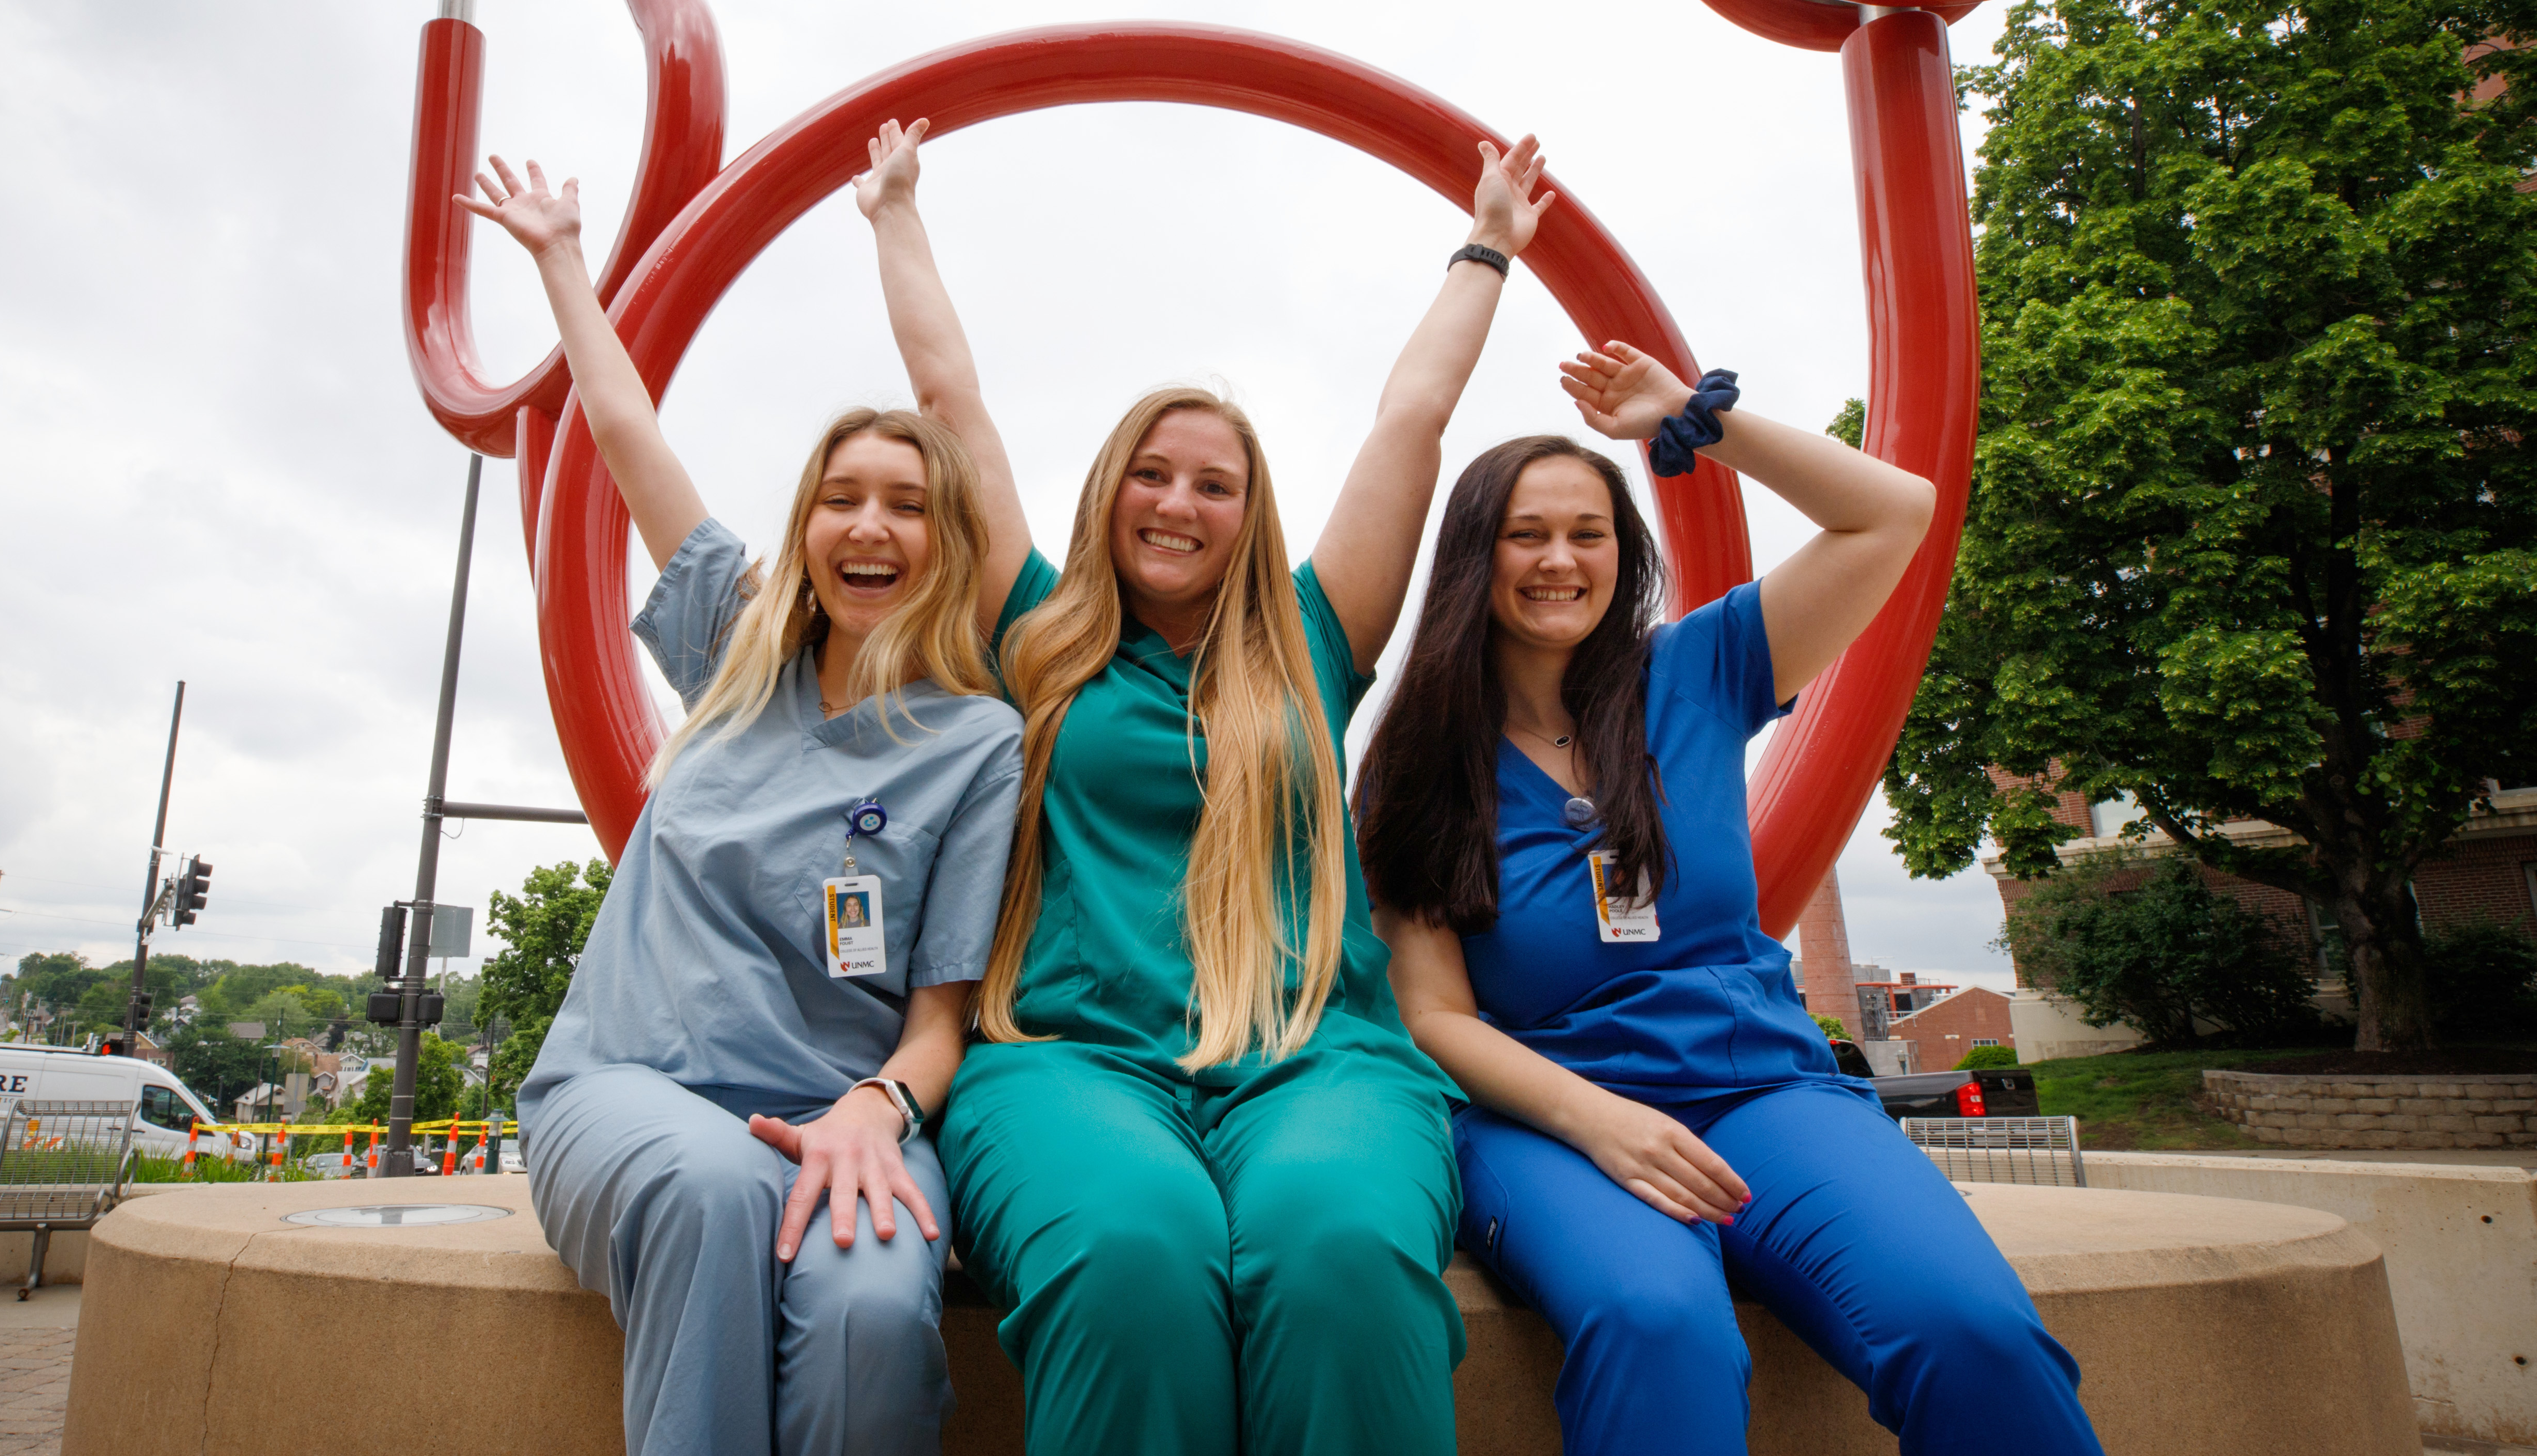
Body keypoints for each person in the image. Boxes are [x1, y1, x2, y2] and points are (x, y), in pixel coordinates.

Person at [856, 116, 1553, 1455]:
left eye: (1215, 484)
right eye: (1152, 474)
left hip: (1314, 1059)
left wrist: (1487, 245)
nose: (1178, 502)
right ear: (1110, 493)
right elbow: (954, 402)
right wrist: (894, 212)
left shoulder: (1310, 638)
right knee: (1130, 1257)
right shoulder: (1039, 637)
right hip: (1072, 1059)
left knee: (1340, 1252)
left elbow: (1411, 419)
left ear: (1253, 511)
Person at [1358, 356, 2104, 1456]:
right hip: (1549, 1120)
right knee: (1661, 1327)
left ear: (1624, 552)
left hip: (1767, 1092)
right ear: (1476, 555)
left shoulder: (1698, 669)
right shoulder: (1418, 761)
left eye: (1588, 531)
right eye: (1526, 533)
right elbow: (1437, 1016)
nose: (1559, 559)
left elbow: (1894, 513)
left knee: (1971, 1330)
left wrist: (1697, 422)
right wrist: (1601, 1122)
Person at [463, 155, 1025, 1456]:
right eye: (841, 499)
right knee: (712, 1192)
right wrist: (560, 259)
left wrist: (871, 1112)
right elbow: (624, 432)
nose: (869, 526)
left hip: (844, 1112)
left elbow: (940, 1019)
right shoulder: (735, 639)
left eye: (906, 503)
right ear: (807, 525)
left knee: (872, 1320)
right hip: (631, 1089)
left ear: (945, 538)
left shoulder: (977, 741)